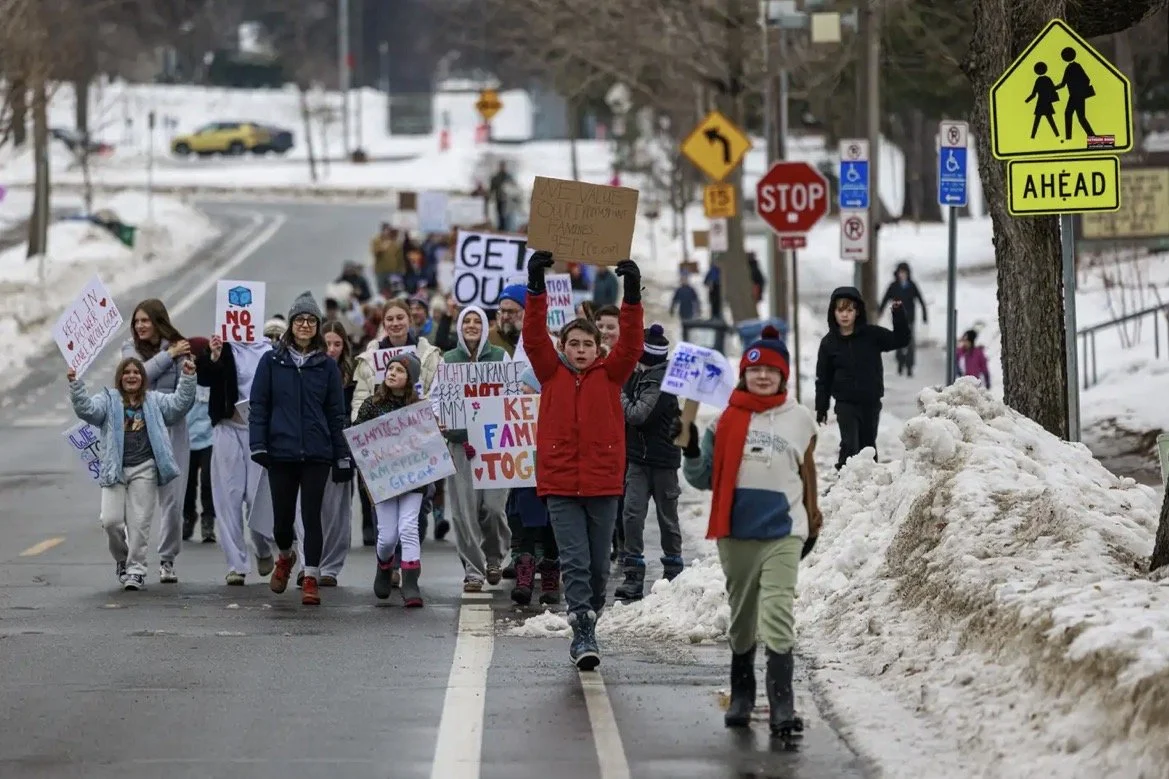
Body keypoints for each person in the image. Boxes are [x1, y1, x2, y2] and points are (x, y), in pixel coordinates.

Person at [680, 326, 821, 740]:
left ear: (783, 376)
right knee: (743, 618)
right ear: (744, 374)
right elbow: (703, 477)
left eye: (772, 372)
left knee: (778, 613)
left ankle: (782, 705)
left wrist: (813, 517)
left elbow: (808, 475)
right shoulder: (723, 420)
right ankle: (742, 694)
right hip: (736, 531)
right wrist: (688, 447)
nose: (763, 378)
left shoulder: (800, 419)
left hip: (783, 531)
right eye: (756, 370)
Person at [523, 250, 644, 670]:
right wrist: (535, 286)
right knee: (574, 562)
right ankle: (582, 631)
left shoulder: (612, 374)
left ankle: (590, 612)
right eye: (572, 344)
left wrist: (631, 296)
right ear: (562, 347)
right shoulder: (549, 372)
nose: (579, 350)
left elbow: (632, 343)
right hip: (560, 484)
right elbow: (533, 338)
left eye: (587, 344)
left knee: (596, 568)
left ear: (598, 348)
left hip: (603, 483)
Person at [250, 291, 353, 606]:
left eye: (311, 320)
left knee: (311, 517)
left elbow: (337, 414)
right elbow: (259, 405)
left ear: (318, 327)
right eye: (300, 320)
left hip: (317, 452)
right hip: (280, 451)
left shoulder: (326, 366)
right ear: (291, 325)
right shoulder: (271, 361)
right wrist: (258, 444)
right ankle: (285, 555)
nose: (305, 325)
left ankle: (311, 575)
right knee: (281, 521)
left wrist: (342, 455)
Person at [68, 357, 197, 590]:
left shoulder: (154, 401)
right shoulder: (107, 400)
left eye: (136, 372)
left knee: (139, 524)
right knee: (110, 522)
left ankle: (136, 570)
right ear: (119, 377)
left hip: (145, 469)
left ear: (143, 378)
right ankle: (122, 560)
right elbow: (88, 411)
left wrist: (188, 377)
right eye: (126, 372)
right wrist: (76, 385)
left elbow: (179, 405)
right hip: (114, 469)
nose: (131, 376)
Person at [352, 299, 444, 549]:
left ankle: (407, 561)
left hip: (418, 443)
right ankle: (390, 566)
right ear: (384, 323)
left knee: (417, 511)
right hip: (382, 446)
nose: (395, 323)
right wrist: (361, 430)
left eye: (400, 318)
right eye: (390, 319)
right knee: (385, 510)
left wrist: (431, 422)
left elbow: (438, 393)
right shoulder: (370, 359)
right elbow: (360, 397)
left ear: (409, 320)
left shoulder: (428, 354)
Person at [196, 330, 277, 586]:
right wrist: (215, 356)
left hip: (258, 432)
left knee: (256, 498)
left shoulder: (269, 351)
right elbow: (204, 377)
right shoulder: (224, 347)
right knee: (228, 498)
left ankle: (262, 546)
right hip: (227, 427)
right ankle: (236, 565)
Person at [440, 304, 510, 592]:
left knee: (493, 509)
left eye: (476, 321)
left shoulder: (500, 357)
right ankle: (473, 569)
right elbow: (437, 398)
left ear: (484, 327)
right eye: (466, 321)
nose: (471, 325)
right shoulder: (448, 360)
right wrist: (439, 419)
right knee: (463, 512)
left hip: (493, 444)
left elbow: (511, 394)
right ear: (459, 327)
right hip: (460, 444)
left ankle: (493, 557)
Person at [122, 299, 190, 584]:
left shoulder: (179, 347)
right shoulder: (129, 349)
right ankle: (132, 561)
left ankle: (167, 558)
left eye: (145, 321)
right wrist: (168, 355)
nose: (140, 326)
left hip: (172, 431)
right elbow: (138, 375)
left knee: (173, 502)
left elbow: (183, 392)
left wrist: (178, 356)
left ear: (158, 321)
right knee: (139, 502)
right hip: (139, 433)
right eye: (137, 321)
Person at [614, 324, 683, 603]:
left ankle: (673, 571)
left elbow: (637, 415)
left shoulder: (661, 381)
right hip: (637, 460)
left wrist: (618, 393)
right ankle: (633, 574)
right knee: (632, 514)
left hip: (662, 461)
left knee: (668, 518)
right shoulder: (636, 375)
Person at [354, 353, 428, 607]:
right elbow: (358, 439)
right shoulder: (371, 405)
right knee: (386, 537)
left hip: (413, 478)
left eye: (400, 370)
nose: (393, 373)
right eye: (390, 368)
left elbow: (428, 444)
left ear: (410, 379)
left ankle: (410, 582)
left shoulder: (419, 408)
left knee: (408, 527)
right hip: (383, 479)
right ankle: (384, 564)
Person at [815, 287, 909, 471]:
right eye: (840, 310)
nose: (844, 315)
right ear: (833, 312)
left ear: (857, 312)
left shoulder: (871, 335)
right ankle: (844, 480)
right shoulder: (829, 343)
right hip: (845, 404)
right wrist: (821, 407)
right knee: (850, 444)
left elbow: (900, 339)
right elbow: (823, 378)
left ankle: (869, 485)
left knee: (867, 446)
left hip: (870, 402)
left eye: (849, 310)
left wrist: (898, 314)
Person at [316, 320, 357, 586]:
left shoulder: (352, 376)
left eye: (337, 345)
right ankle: (311, 561)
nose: (332, 349)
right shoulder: (310, 370)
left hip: (342, 446)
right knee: (310, 507)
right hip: (314, 445)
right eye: (327, 344)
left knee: (338, 509)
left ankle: (330, 566)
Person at [182, 337, 215, 544]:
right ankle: (188, 515)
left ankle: (208, 520)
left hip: (210, 438)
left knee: (208, 482)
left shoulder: (212, 375)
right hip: (187, 438)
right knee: (187, 483)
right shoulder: (183, 376)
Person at [878, 262, 928, 377]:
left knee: (910, 343)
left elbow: (920, 299)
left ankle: (909, 366)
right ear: (897, 273)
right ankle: (900, 362)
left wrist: (924, 315)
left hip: (910, 318)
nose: (902, 275)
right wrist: (880, 311)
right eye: (901, 272)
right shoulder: (894, 286)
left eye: (904, 273)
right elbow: (885, 298)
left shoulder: (912, 285)